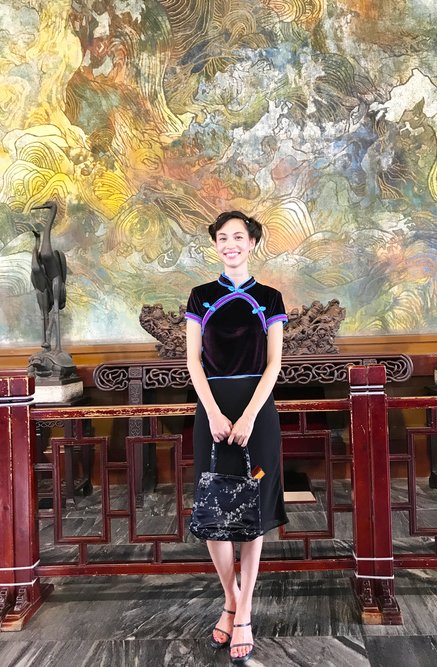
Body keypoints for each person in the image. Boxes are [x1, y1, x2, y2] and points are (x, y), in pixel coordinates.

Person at [185, 211, 288, 664]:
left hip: (257, 414)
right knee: (214, 506)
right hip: (211, 412)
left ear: (252, 243)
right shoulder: (200, 295)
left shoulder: (269, 297)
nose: (231, 244)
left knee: (253, 505)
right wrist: (212, 412)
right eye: (223, 237)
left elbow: (274, 364)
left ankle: (243, 611)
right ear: (216, 245)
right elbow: (193, 362)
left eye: (239, 237)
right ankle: (231, 600)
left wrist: (247, 416)